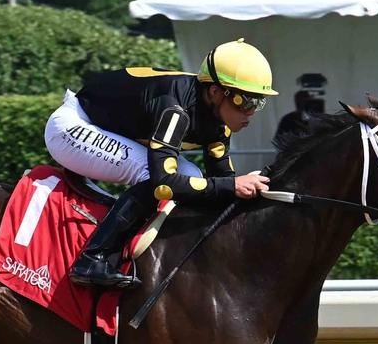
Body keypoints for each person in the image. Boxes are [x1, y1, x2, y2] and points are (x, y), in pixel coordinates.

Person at [44, 38, 277, 290]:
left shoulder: (216, 115)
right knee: (154, 176)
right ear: (215, 92)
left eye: (259, 102)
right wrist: (232, 186)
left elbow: (222, 180)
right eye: (246, 101)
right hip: (72, 126)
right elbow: (162, 185)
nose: (252, 111)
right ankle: (92, 258)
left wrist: (248, 189)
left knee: (191, 173)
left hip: (107, 127)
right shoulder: (176, 110)